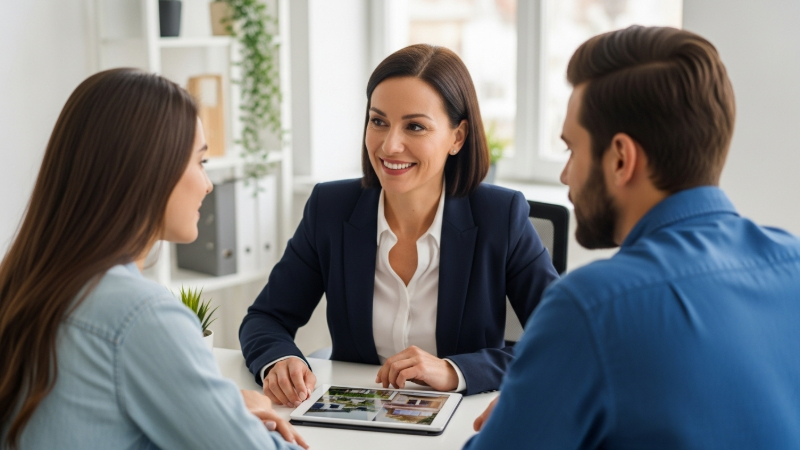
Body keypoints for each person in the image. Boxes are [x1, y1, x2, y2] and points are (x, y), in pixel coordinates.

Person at [464, 25, 800, 449]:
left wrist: (521, 416)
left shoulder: (589, 307)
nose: (565, 175)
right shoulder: (793, 263)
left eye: (572, 150)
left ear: (621, 159)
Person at [0, 69, 307, 450]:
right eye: (200, 162)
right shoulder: (140, 315)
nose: (207, 185)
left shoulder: (21, 283)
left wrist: (217, 408)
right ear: (150, 170)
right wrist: (245, 420)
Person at [240, 44, 560, 407]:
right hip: (357, 415)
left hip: (461, 418)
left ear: (457, 137)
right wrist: (280, 359)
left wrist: (455, 371)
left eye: (415, 126)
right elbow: (266, 318)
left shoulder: (500, 216)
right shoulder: (330, 208)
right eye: (379, 122)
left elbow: (562, 339)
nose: (390, 145)